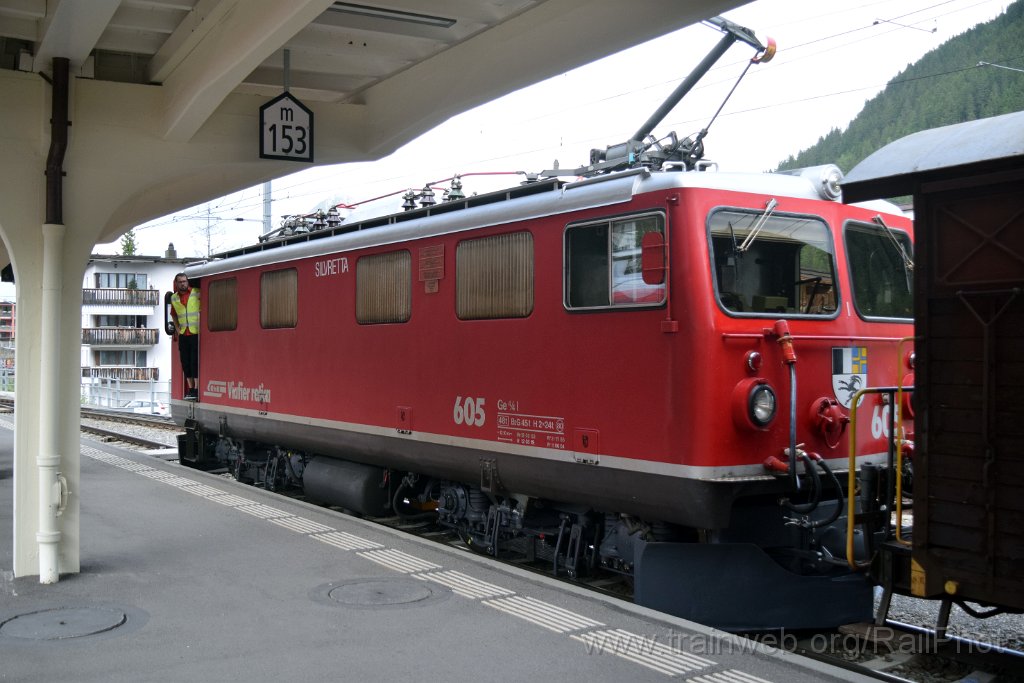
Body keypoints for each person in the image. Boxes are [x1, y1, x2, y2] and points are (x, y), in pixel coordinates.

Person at [170, 272, 200, 400]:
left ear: (187, 281)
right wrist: (177, 329)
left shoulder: (197, 292)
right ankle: (191, 389)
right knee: (185, 363)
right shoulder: (174, 298)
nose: (183, 283)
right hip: (183, 334)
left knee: (195, 362)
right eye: (180, 282)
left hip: (196, 332)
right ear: (176, 284)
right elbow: (173, 314)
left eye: (185, 281)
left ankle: (197, 389)